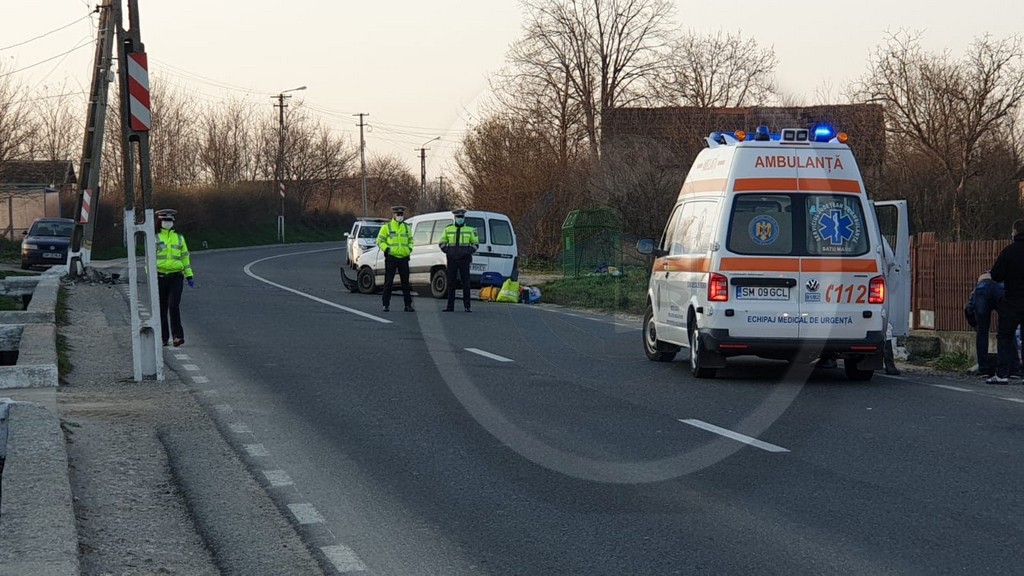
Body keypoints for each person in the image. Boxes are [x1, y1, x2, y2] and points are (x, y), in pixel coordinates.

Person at [988, 219, 1024, 384]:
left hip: (1012, 301)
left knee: (1005, 337)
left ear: (1015, 232)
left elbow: (996, 275)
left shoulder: (1008, 252)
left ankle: (1002, 374)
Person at [155, 209, 194, 347]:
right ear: (160, 222)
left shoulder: (179, 238)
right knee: (161, 308)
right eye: (165, 220)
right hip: (159, 277)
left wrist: (189, 275)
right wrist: (150, 275)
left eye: (170, 221)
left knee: (173, 306)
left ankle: (177, 336)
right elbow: (149, 258)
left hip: (176, 277)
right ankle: (163, 337)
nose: (167, 223)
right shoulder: (154, 237)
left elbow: (185, 257)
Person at [438, 209, 480, 312]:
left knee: (466, 283)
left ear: (464, 218)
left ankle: (467, 306)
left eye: (461, 217)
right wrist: (448, 251)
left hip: (464, 259)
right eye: (458, 217)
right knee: (451, 283)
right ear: (455, 218)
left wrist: (467, 252)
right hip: (452, 259)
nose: (460, 219)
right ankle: (450, 306)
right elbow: (442, 242)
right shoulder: (448, 229)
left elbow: (475, 244)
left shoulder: (470, 230)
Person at [965, 271, 1004, 377]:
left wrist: (975, 325)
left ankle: (983, 368)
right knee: (1007, 332)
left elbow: (968, 308)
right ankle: (1012, 368)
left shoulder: (981, 282)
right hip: (1001, 289)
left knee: (982, 331)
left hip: (983, 289)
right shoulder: (1004, 277)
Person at [376, 205, 414, 312]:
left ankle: (408, 305)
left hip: (404, 257)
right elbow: (379, 241)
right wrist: (386, 249)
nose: (400, 216)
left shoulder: (407, 227)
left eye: (401, 214)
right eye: (398, 214)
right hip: (391, 257)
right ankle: (386, 304)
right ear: (393, 214)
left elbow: (411, 241)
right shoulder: (387, 227)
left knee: (405, 283)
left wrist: (409, 249)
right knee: (388, 282)